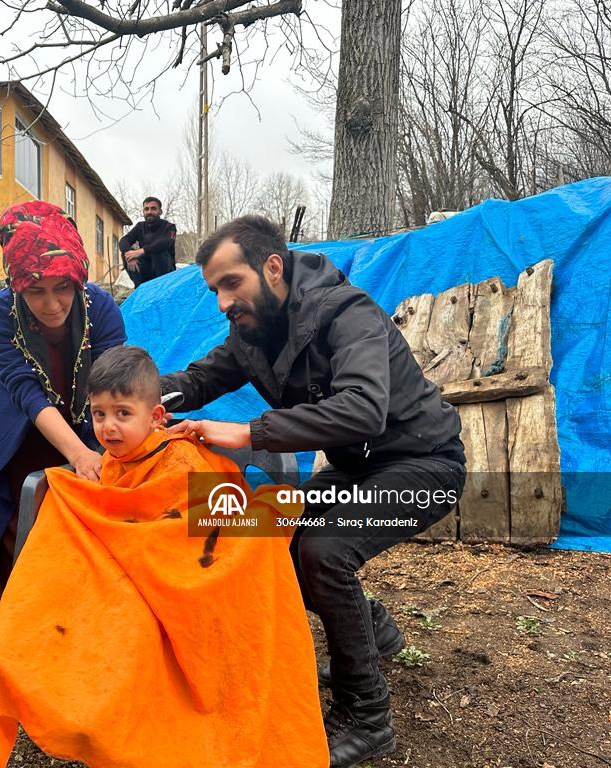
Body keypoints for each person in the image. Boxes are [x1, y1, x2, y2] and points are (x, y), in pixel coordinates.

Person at [161, 215, 466, 768]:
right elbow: (200, 379)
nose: (223, 302)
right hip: (355, 469)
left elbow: (365, 409)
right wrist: (140, 398)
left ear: (271, 267)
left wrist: (252, 431)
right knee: (273, 539)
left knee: (324, 552)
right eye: (215, 290)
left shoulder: (349, 313)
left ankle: (366, 716)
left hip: (424, 464)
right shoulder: (251, 332)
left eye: (232, 283)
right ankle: (374, 630)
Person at [0, 345, 328, 768]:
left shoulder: (181, 460)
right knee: (45, 623)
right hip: (123, 579)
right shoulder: (109, 463)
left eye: (123, 413)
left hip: (175, 589)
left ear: (156, 417)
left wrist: (140, 550)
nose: (109, 427)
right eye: (99, 414)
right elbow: (110, 515)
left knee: (132, 634)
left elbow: (207, 535)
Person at [0, 200, 126, 596]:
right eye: (35, 291)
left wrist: (100, 448)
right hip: (20, 422)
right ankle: (24, 611)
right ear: (15, 285)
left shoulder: (100, 307)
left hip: (89, 411)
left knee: (91, 506)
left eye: (63, 288)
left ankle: (82, 603)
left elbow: (112, 381)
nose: (52, 304)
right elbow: (27, 391)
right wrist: (76, 454)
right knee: (22, 508)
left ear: (78, 279)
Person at [118, 196, 176, 286]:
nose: (149, 212)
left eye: (153, 209)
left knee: (159, 251)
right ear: (143, 212)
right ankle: (139, 287)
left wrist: (142, 251)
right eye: (146, 209)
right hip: (146, 270)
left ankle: (160, 287)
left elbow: (167, 242)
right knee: (127, 253)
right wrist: (130, 256)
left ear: (160, 211)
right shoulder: (140, 227)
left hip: (165, 272)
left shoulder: (169, 227)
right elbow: (124, 240)